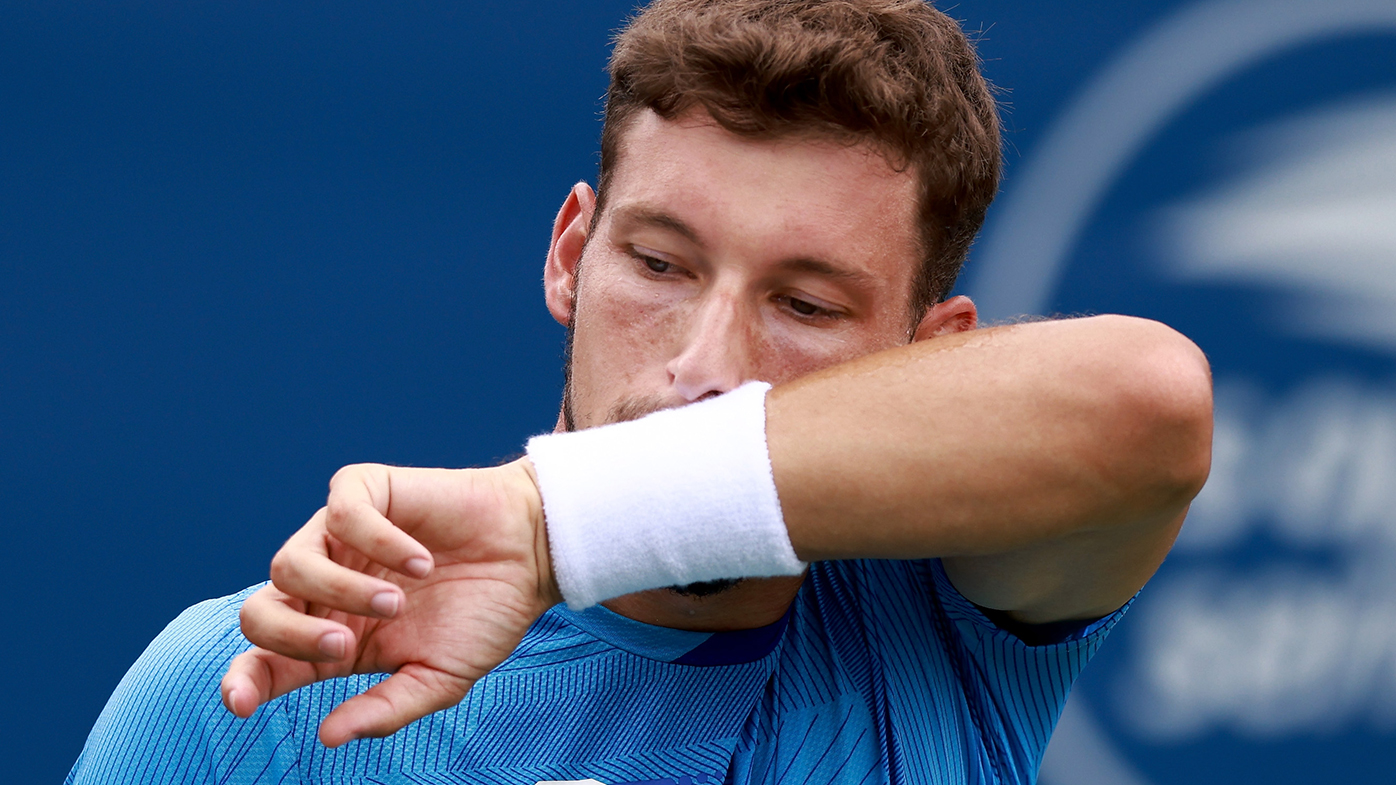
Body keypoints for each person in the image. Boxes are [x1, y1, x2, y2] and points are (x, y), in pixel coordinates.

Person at [68, 1, 1213, 783]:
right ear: (572, 251)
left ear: (933, 351)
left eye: (805, 305)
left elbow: (1150, 401)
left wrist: (551, 521)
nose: (705, 365)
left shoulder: (936, 624)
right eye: (660, 265)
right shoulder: (239, 689)